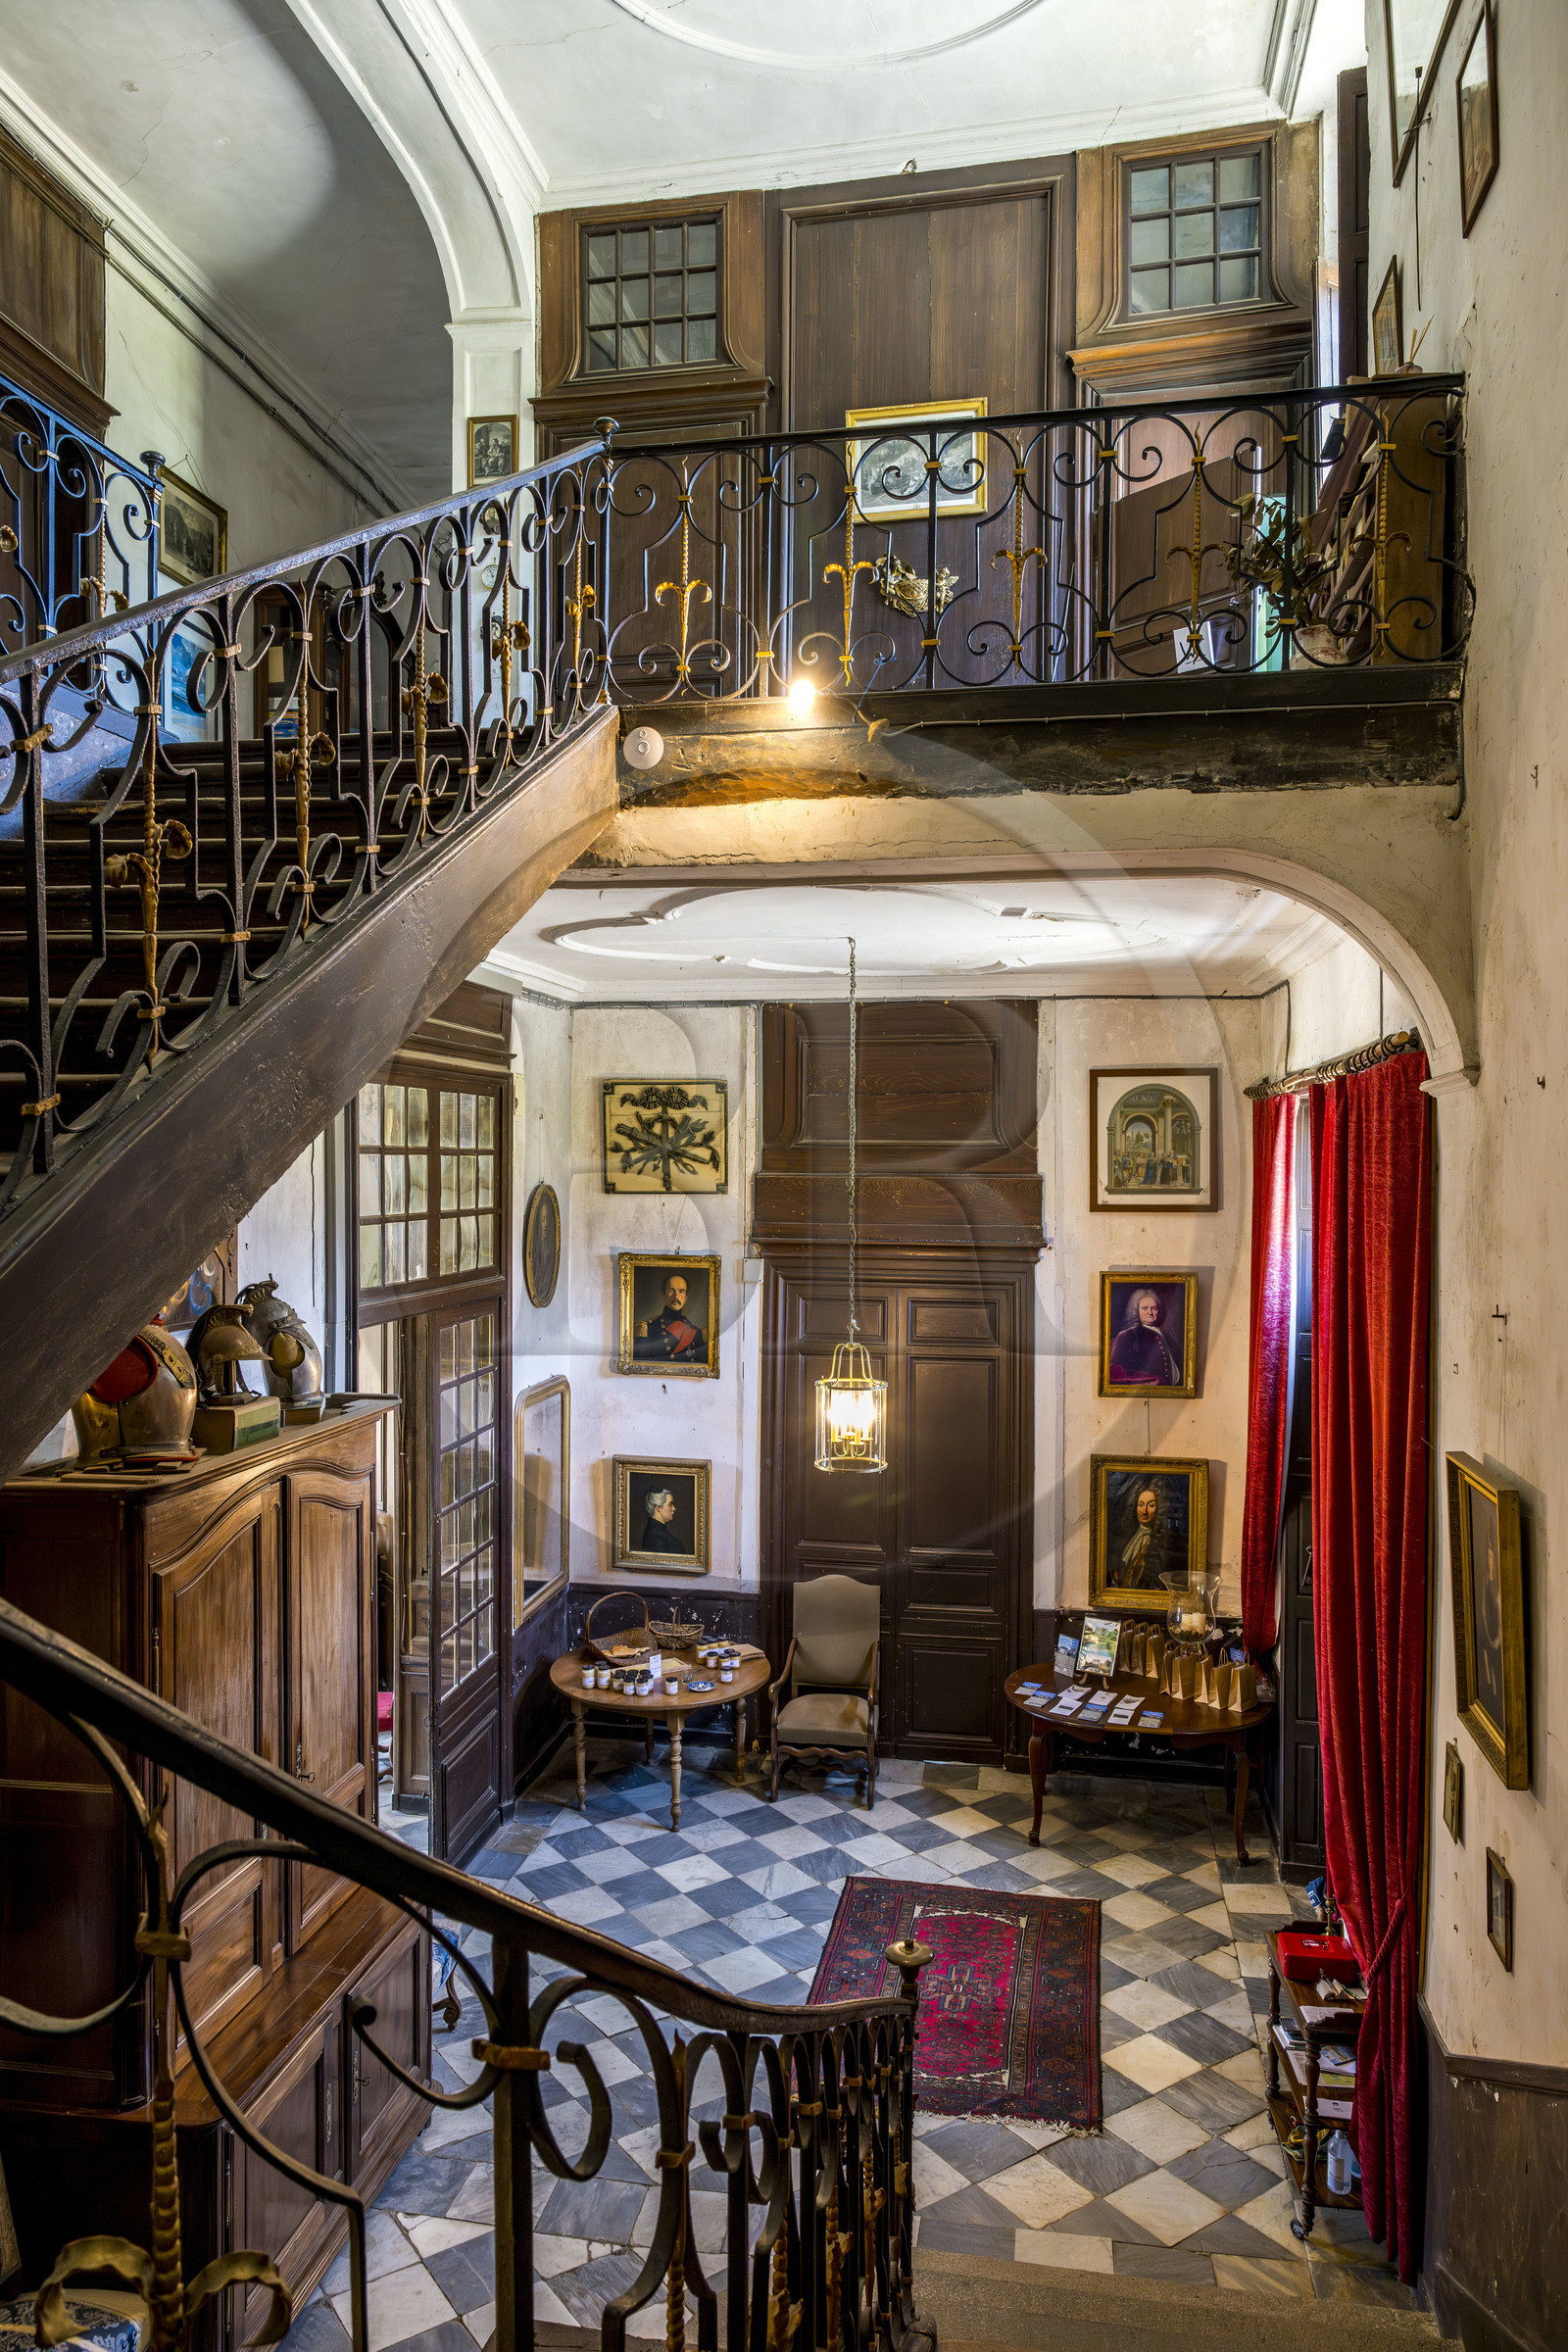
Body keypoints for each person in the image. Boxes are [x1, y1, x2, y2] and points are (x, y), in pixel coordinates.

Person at [1108, 1287, 1183, 1387]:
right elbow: (1116, 1372)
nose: (1150, 1312)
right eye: (1144, 1308)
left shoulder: (1167, 1336)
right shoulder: (1127, 1335)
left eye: (1154, 1308)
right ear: (1136, 1310)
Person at [633, 1271, 707, 1363]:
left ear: (686, 1298)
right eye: (671, 1291)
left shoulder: (697, 1333)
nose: (676, 1297)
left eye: (681, 1291)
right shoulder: (647, 1329)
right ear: (664, 1295)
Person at [1117, 1482, 1174, 1590]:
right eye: (1141, 1505)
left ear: (1159, 1509)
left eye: (1151, 1505)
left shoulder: (1160, 1544)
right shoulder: (1130, 1536)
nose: (1144, 1511)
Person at [640, 1486, 685, 1554]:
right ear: (658, 1508)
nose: (674, 1508)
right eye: (670, 1504)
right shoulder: (656, 1538)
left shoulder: (659, 1534)